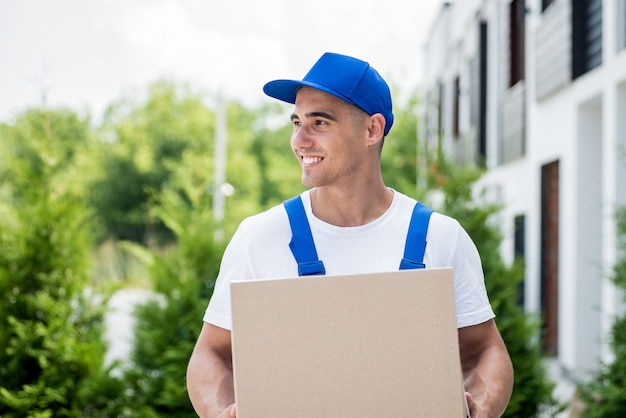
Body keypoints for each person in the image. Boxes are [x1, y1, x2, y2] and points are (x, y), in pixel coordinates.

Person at [187, 52, 514, 418]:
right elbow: (212, 354)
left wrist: (482, 406)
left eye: (319, 122)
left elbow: (485, 350)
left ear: (372, 129)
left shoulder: (438, 236)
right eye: (296, 122)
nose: (299, 140)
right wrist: (220, 413)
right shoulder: (260, 237)